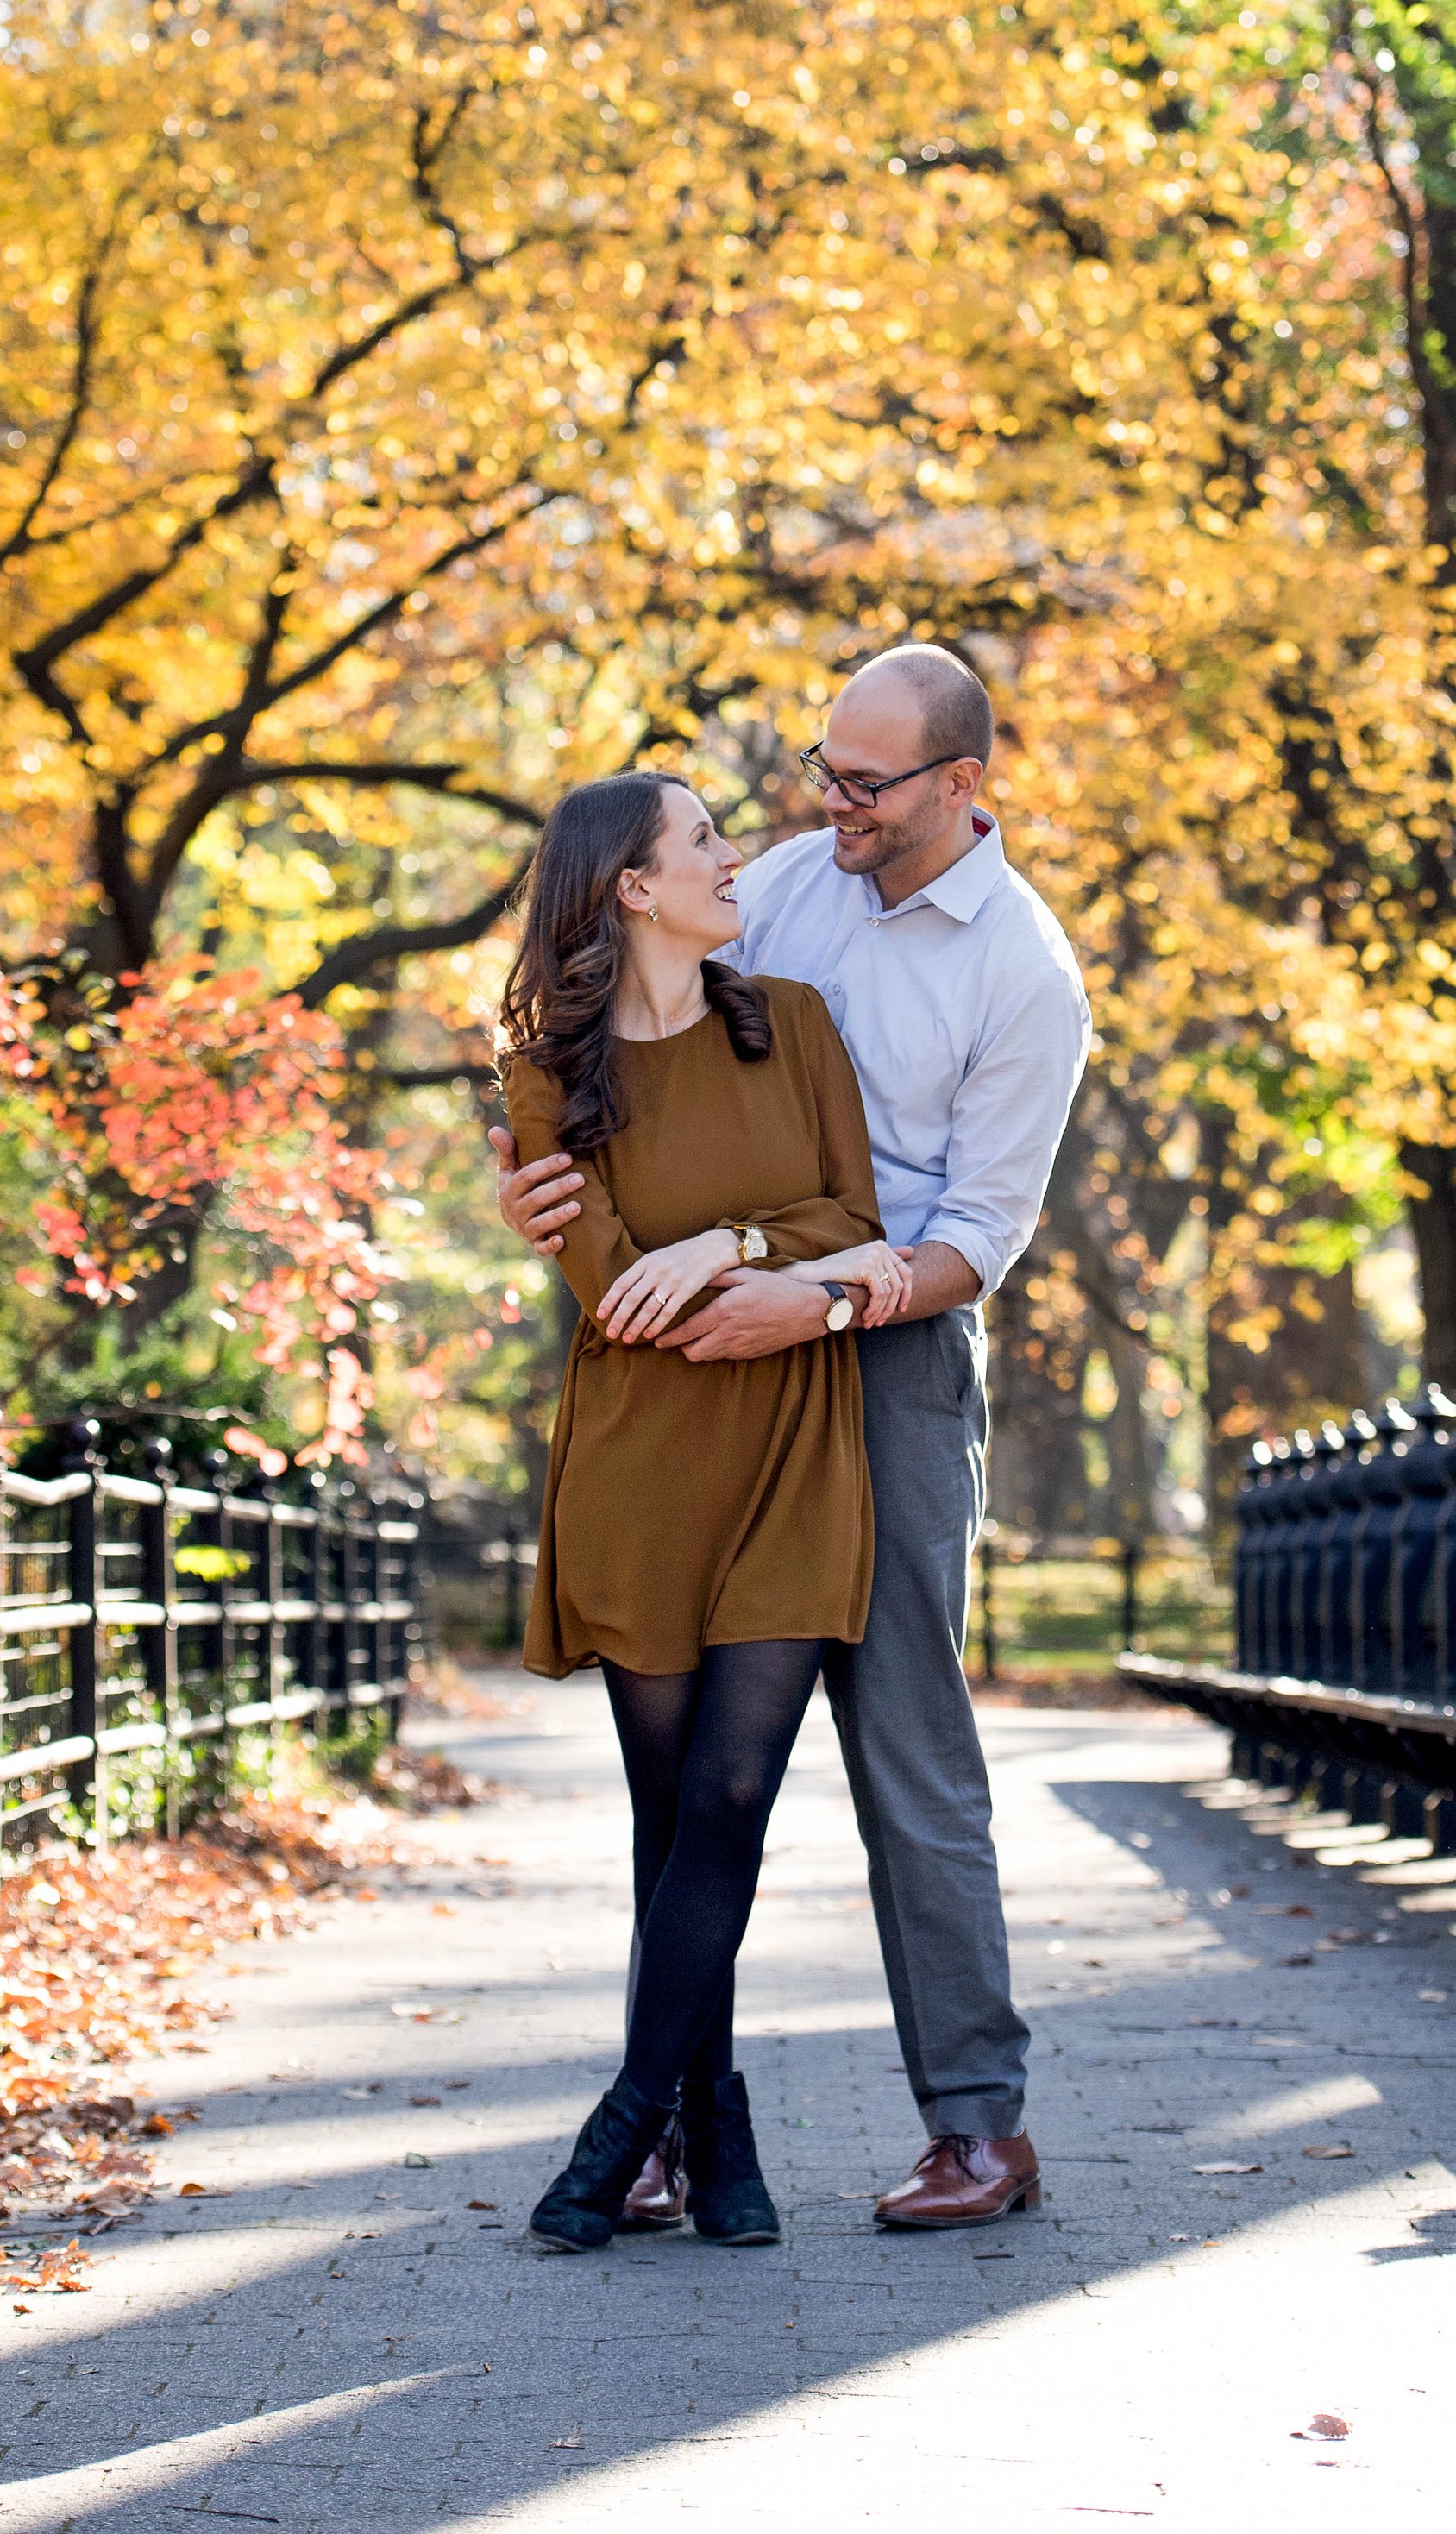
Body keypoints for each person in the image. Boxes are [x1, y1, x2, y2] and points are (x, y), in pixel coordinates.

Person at [495, 644, 1093, 2231]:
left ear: (960, 786)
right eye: (824, 767)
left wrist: (806, 1294)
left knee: (904, 1734)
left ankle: (979, 2122)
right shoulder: (784, 882)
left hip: (885, 1350)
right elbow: (623, 1045)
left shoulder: (1024, 974)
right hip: (692, 1358)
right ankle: (684, 2129)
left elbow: (977, 1237)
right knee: (689, 1783)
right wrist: (544, 1195)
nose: (828, 802)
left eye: (865, 781)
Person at [496, 767, 910, 2255]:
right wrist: (672, 1269)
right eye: (706, 842)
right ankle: (713, 2121)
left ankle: (623, 2123)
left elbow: (852, 1222)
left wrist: (729, 1241)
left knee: (733, 1793)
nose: (737, 857)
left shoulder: (787, 1021)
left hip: (798, 1441)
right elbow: (613, 1288)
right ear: (632, 887)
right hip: (640, 1457)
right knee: (671, 1816)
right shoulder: (544, 1074)